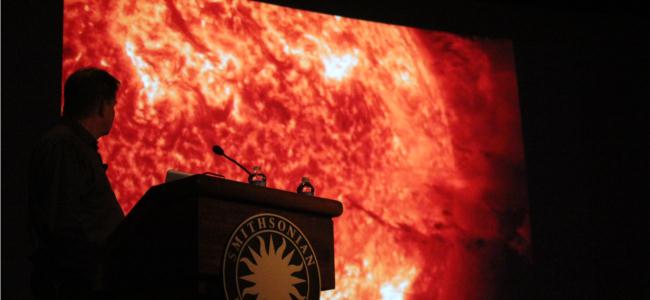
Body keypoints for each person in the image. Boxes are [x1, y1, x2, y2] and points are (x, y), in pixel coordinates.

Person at [28, 67, 125, 299]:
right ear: (102, 106)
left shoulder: (73, 146)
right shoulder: (64, 146)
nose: (113, 112)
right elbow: (63, 221)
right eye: (113, 105)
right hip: (76, 285)